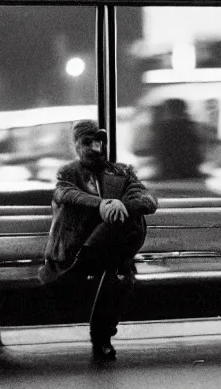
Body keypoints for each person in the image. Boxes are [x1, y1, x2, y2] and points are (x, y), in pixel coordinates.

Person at [39, 120, 157, 360]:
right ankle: (101, 338)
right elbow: (66, 193)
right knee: (116, 270)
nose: (95, 147)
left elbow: (148, 200)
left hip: (100, 253)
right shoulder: (69, 172)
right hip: (77, 246)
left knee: (125, 218)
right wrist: (101, 204)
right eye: (87, 142)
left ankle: (79, 271)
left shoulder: (121, 172)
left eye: (99, 142)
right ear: (75, 145)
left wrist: (121, 205)